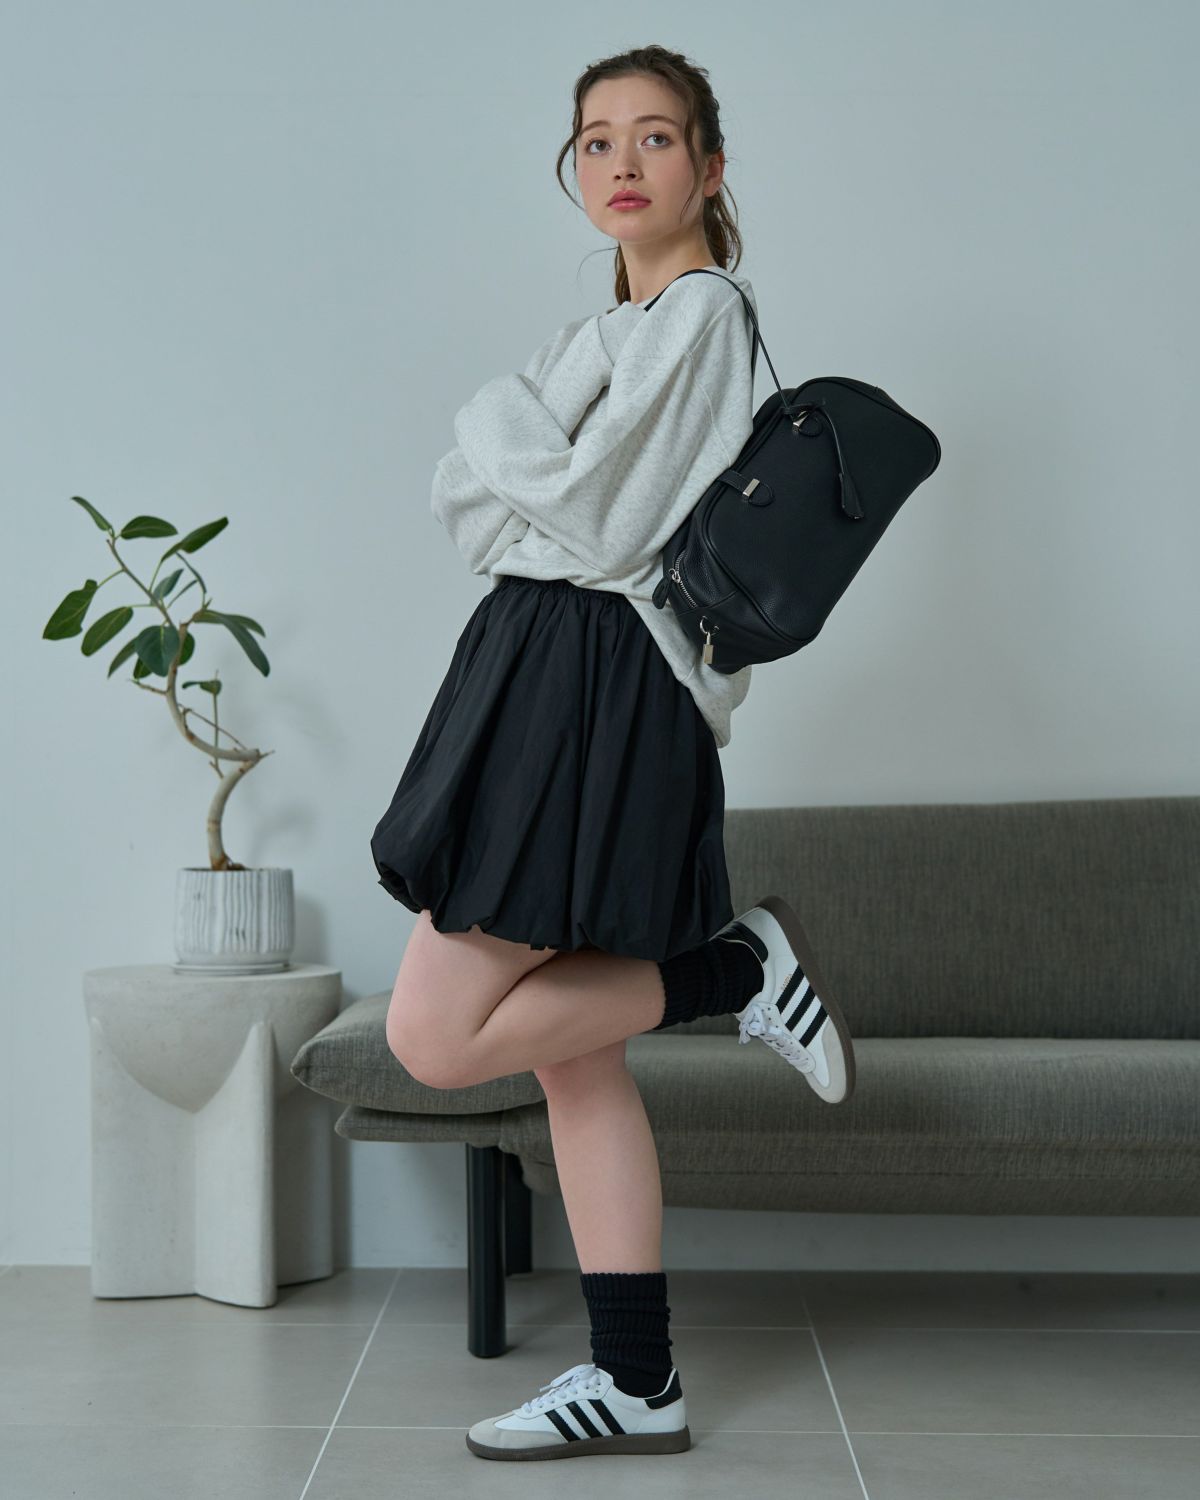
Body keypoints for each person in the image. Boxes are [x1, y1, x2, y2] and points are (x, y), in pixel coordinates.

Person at [370, 44, 857, 1461]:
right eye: (597, 140)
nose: (623, 162)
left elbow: (585, 516)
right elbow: (464, 507)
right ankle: (637, 1379)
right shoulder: (607, 334)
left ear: (710, 165)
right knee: (578, 1061)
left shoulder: (701, 315)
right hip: (541, 663)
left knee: (432, 1033)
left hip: (597, 680)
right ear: (574, 169)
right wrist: (523, 458)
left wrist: (498, 417)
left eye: (655, 136)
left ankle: (733, 972)